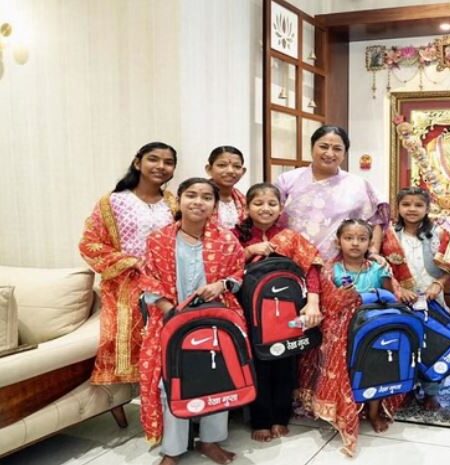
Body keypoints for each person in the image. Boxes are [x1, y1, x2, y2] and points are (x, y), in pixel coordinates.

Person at [138, 178, 246, 465]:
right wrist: (171, 312)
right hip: (170, 323)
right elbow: (149, 280)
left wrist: (221, 285)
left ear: (214, 205)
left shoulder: (226, 240)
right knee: (171, 383)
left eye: (206, 197)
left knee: (217, 378)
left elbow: (238, 275)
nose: (198, 202)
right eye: (191, 195)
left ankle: (210, 441)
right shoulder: (159, 240)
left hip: (214, 322)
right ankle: (172, 450)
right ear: (179, 200)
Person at [297, 218, 402, 456]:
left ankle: (373, 412)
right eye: (349, 238)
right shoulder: (330, 270)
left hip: (373, 327)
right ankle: (346, 410)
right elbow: (327, 305)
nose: (355, 243)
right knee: (344, 363)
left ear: (369, 243)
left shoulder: (378, 268)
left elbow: (391, 297)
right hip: (340, 329)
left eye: (361, 239)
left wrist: (368, 294)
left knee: (376, 367)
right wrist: (343, 298)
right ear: (338, 242)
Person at [79, 142, 177, 384]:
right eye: (153, 159)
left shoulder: (173, 203)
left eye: (168, 162)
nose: (161, 166)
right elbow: (89, 243)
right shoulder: (113, 202)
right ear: (137, 163)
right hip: (126, 283)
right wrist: (129, 261)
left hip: (169, 283)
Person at [233, 182, 324, 443]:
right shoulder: (234, 236)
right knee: (256, 364)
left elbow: (311, 268)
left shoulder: (290, 236)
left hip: (287, 312)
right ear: (247, 207)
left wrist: (313, 302)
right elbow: (221, 267)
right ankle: (260, 419)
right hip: (249, 313)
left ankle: (280, 417)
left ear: (281, 208)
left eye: (272, 203)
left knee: (286, 361)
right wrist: (248, 252)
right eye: (258, 203)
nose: (266, 208)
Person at [380, 186, 450, 411]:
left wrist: (438, 284)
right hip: (400, 299)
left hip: (433, 298)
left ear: (427, 208)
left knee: (434, 343)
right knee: (404, 343)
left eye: (418, 205)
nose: (412, 209)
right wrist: (398, 290)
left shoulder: (440, 234)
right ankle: (405, 388)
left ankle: (431, 392)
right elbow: (380, 267)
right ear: (398, 207)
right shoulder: (388, 235)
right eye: (406, 204)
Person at [275, 125, 389, 262]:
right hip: (290, 261)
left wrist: (373, 252)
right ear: (312, 148)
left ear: (344, 154)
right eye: (323, 147)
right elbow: (270, 218)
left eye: (337, 149)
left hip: (338, 264)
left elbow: (375, 220)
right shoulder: (288, 180)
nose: (329, 154)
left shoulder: (358, 185)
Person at [205, 145, 247, 229]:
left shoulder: (244, 201)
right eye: (222, 165)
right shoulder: (197, 197)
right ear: (209, 169)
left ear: (243, 172)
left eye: (237, 166)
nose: (230, 171)